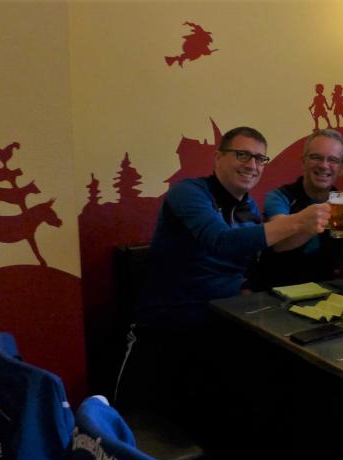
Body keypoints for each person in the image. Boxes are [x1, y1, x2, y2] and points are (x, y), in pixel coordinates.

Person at [123, 127, 329, 410]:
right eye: (242, 155)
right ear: (218, 157)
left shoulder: (249, 207)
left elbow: (256, 259)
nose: (252, 165)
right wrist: (298, 221)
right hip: (169, 329)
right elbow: (220, 241)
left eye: (260, 159)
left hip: (224, 324)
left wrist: (310, 228)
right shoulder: (189, 192)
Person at [255, 129, 343, 288]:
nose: (324, 165)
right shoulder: (279, 197)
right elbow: (279, 243)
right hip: (277, 292)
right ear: (303, 162)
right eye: (316, 157)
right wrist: (319, 218)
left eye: (333, 160)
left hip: (326, 292)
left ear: (342, 168)